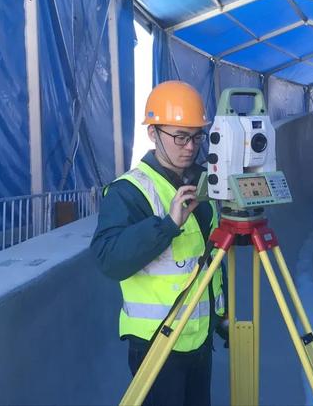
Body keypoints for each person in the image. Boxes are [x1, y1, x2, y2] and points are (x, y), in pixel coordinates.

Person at [90, 80, 226, 406]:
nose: (190, 147)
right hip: (156, 343)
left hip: (199, 339)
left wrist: (221, 315)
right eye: (180, 136)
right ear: (153, 133)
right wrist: (167, 226)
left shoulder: (203, 183)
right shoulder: (129, 191)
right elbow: (109, 259)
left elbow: (208, 261)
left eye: (196, 136)